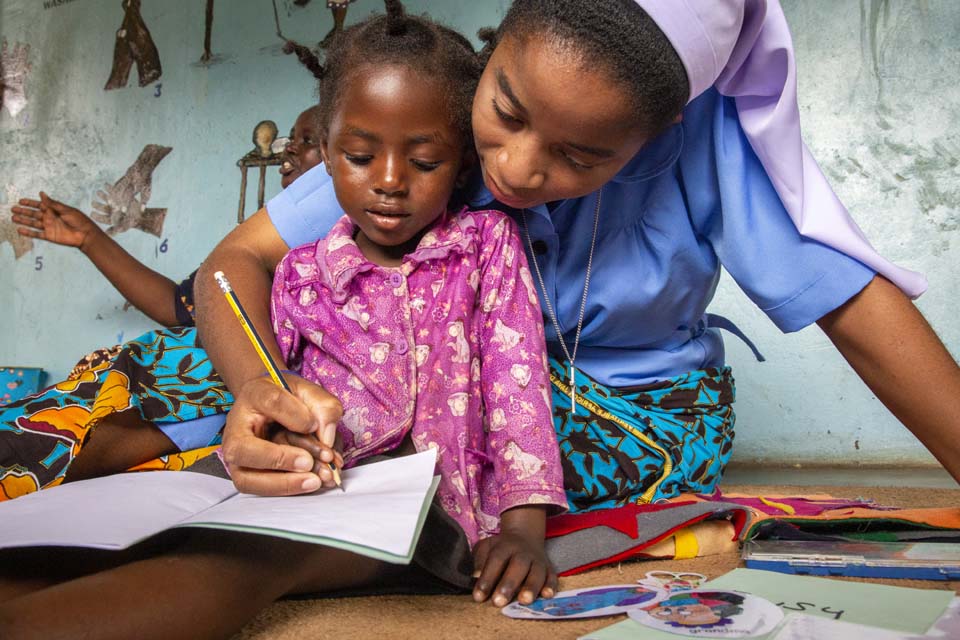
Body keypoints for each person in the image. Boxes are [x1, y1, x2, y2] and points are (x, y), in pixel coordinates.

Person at [194, 0, 960, 510]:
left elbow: (852, 305)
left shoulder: (705, 137)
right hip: (451, 385)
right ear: (495, 55)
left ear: (659, 132)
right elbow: (233, 264)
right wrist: (262, 385)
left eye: (582, 155)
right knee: (201, 368)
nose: (518, 171)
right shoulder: (430, 129)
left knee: (423, 469)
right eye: (505, 111)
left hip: (631, 413)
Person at [0, 3, 564, 637]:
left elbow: (520, 390)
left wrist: (521, 529)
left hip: (427, 506)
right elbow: (272, 391)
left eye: (425, 163)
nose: (388, 182)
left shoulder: (486, 245)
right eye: (356, 155)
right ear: (324, 153)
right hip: (306, 484)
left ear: (461, 163)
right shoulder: (298, 272)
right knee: (91, 531)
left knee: (233, 558)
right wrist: (279, 434)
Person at [0, 105, 324, 500]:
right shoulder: (256, 249)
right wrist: (90, 238)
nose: (289, 151)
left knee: (40, 472)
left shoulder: (341, 246)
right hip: (158, 377)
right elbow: (179, 306)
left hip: (199, 401)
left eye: (307, 142)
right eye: (292, 139)